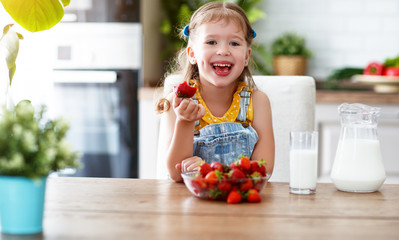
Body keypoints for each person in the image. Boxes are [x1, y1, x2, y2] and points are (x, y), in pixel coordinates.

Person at [157, 1, 275, 182]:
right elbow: (175, 173)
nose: (223, 51)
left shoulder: (258, 102)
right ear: (192, 54)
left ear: (246, 56)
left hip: (240, 204)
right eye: (211, 42)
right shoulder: (176, 102)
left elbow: (263, 169)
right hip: (190, 206)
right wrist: (185, 121)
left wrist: (207, 169)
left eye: (234, 43)